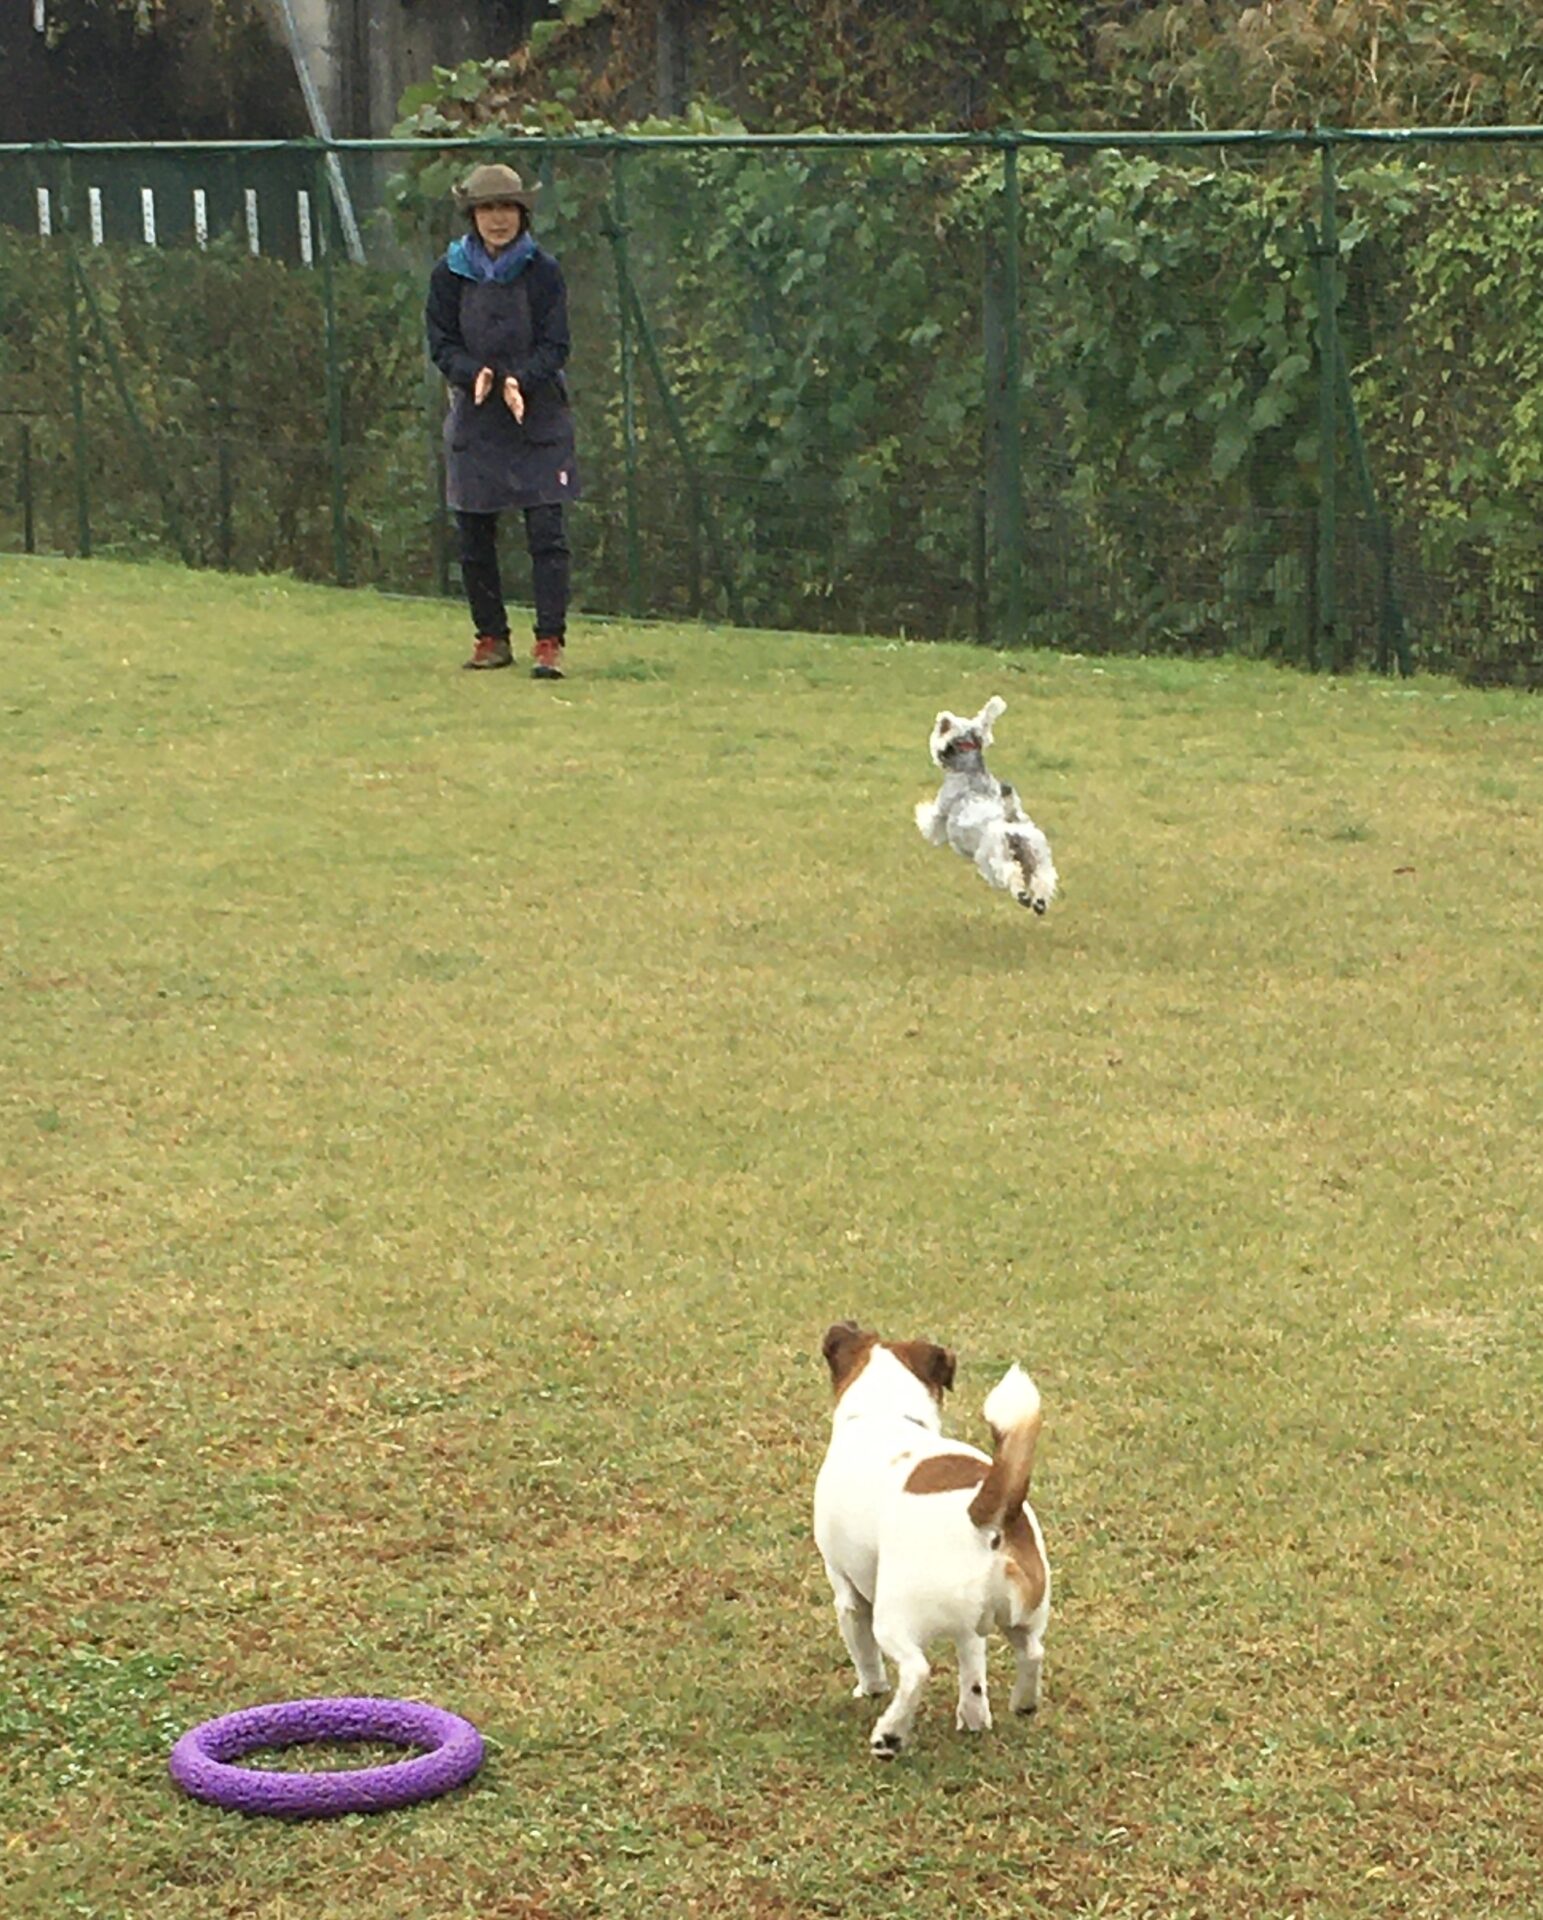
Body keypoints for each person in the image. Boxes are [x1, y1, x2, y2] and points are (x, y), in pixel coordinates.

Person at [425, 163, 580, 678]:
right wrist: (475, 375)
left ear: (522, 214)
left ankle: (549, 643)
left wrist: (520, 380)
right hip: (474, 418)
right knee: (473, 535)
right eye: (487, 208)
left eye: (507, 208)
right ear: (472, 215)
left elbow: (556, 344)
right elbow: (441, 343)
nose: (498, 219)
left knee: (547, 534)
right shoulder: (448, 273)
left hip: (539, 417)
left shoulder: (544, 271)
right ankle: (491, 638)